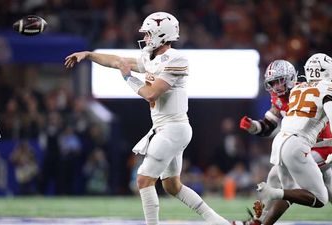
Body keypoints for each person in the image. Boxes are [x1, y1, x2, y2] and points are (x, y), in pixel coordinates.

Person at [65, 11, 229, 225]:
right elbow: (117, 60)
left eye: (150, 34)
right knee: (172, 186)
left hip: (173, 128)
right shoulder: (152, 58)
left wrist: (127, 77)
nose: (147, 38)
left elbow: (151, 93)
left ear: (162, 34)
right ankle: (221, 223)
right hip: (166, 129)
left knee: (143, 179)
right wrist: (88, 54)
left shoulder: (176, 58)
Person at [238, 59, 332, 225]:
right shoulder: (290, 95)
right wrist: (253, 126)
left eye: (279, 81)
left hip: (321, 147)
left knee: (279, 180)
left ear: (289, 78)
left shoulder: (300, 90)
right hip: (302, 147)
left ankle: (257, 220)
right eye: (272, 83)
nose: (276, 87)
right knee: (286, 184)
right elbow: (268, 125)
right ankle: (258, 220)